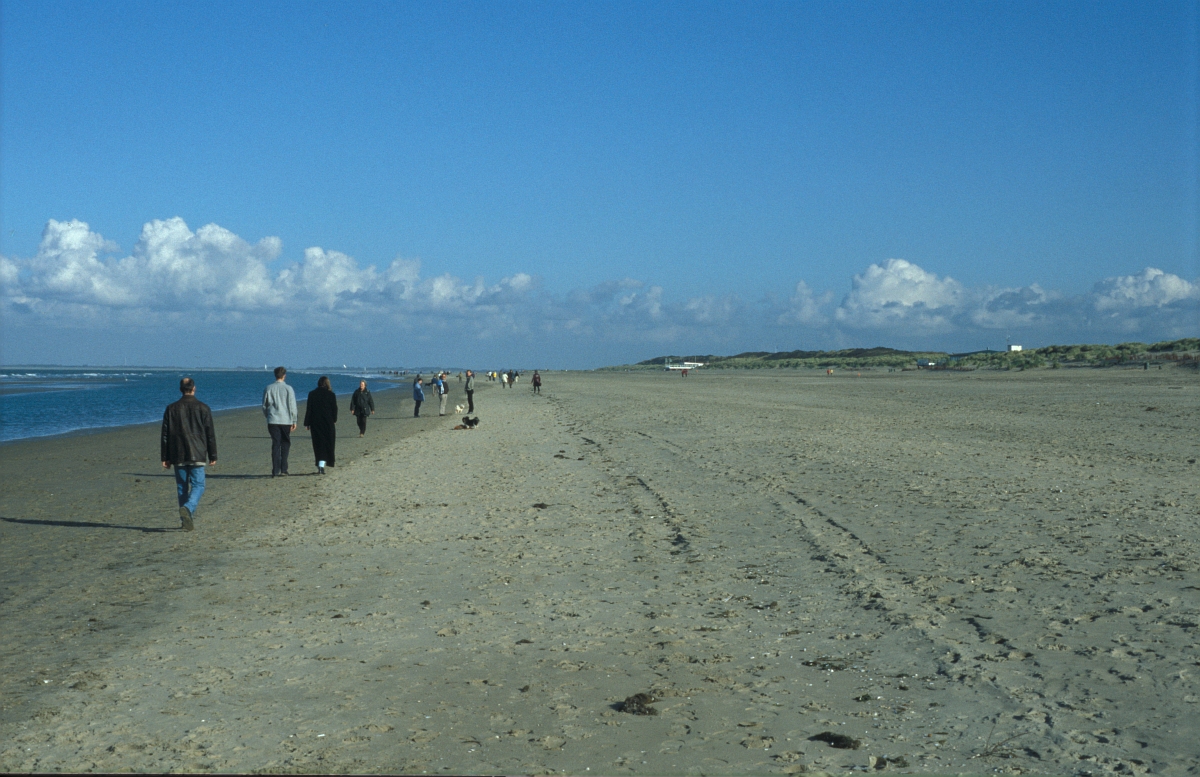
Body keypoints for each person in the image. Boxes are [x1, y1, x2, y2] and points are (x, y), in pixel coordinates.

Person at [161, 376, 217, 531]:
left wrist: (165, 457)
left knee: (182, 487)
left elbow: (165, 435)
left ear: (181, 389)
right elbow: (210, 434)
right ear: (194, 388)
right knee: (198, 485)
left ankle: (185, 517)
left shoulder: (172, 408)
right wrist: (213, 455)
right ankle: (188, 509)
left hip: (178, 452)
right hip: (197, 451)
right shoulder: (203, 408)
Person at [263, 366, 297, 477]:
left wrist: (268, 416)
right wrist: (294, 420)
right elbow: (292, 406)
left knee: (276, 444)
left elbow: (264, 406)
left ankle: (276, 470)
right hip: (285, 420)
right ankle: (283, 469)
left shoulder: (268, 388)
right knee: (285, 443)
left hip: (273, 420)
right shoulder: (288, 389)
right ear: (284, 376)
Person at [304, 376, 338, 474]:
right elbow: (334, 409)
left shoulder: (312, 394)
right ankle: (322, 465)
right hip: (328, 423)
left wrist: (307, 423)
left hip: (315, 423)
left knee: (318, 444)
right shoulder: (331, 395)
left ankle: (320, 465)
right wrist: (334, 419)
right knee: (328, 443)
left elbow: (309, 409)